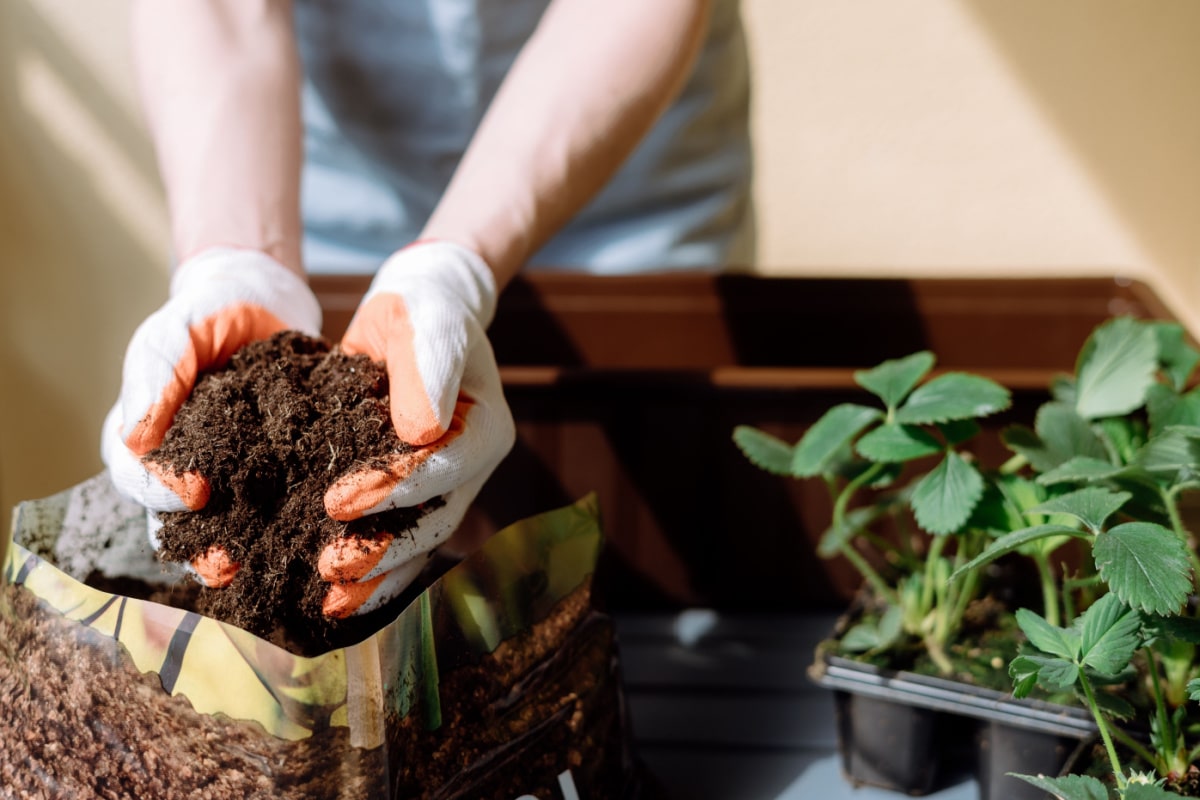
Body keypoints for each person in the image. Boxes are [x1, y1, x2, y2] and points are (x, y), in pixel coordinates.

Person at [102, 0, 754, 620]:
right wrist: (239, 263)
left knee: (644, 557)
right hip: (310, 182)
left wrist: (455, 268)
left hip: (616, 174)